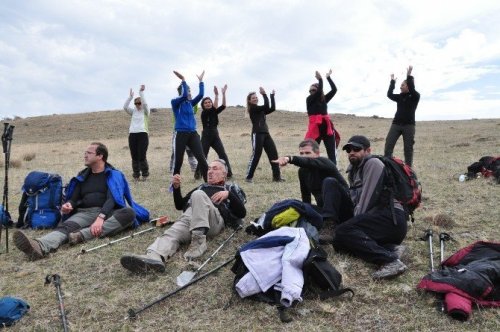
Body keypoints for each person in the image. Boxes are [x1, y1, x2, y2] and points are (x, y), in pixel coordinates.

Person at [13, 142, 150, 260]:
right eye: (85, 153)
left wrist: (101, 217)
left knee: (129, 213)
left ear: (100, 156)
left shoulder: (114, 175)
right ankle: (40, 246)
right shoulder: (82, 176)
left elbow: (112, 199)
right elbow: (74, 198)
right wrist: (69, 205)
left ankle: (81, 235)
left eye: (89, 153)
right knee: (66, 228)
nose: (85, 155)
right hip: (85, 213)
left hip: (109, 212)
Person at [120, 159, 246, 274]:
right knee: (171, 234)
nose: (210, 171)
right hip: (190, 217)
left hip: (213, 220)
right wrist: (176, 188)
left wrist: (228, 195)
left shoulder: (230, 188)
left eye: (215, 168)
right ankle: (153, 258)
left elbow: (241, 213)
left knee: (198, 195)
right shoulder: (201, 187)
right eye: (209, 168)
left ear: (224, 174)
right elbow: (180, 205)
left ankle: (198, 242)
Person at [326, 135, 408, 279]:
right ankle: (391, 249)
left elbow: (367, 200)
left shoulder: (373, 163)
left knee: (343, 231)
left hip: (390, 218)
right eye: (349, 149)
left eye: (357, 149)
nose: (352, 152)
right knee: (338, 243)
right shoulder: (354, 169)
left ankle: (390, 261)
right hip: (375, 221)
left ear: (368, 150)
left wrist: (349, 226)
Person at [272, 139, 351, 243]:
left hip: (346, 210)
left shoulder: (326, 163)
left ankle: (329, 227)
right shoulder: (302, 171)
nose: (304, 156)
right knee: (295, 205)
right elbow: (306, 197)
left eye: (308, 153)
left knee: (329, 181)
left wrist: (290, 158)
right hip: (324, 211)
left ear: (317, 153)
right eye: (301, 153)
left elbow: (308, 162)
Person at [171, 70, 208, 181]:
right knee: (179, 161)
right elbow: (185, 95)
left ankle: (209, 184)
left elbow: (201, 95)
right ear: (181, 92)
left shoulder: (191, 103)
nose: (189, 93)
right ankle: (174, 185)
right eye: (187, 91)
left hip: (193, 134)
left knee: (202, 159)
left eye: (189, 91)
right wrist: (183, 80)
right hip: (181, 133)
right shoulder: (175, 103)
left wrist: (201, 81)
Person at [384, 65, 420, 167]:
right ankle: (387, 166)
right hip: (396, 124)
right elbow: (389, 94)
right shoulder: (399, 97)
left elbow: (412, 88)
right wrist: (392, 82)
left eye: (402, 85)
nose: (400, 87)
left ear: (408, 86)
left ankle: (409, 171)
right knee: (388, 145)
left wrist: (408, 75)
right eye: (400, 85)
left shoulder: (415, 96)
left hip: (409, 126)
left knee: (408, 149)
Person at [194, 84, 233, 178]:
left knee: (222, 154)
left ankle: (229, 173)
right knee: (203, 156)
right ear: (203, 105)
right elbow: (213, 109)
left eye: (209, 102)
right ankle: (198, 174)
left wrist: (223, 94)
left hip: (215, 135)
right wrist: (216, 95)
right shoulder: (204, 113)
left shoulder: (213, 111)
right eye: (206, 103)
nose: (208, 103)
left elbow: (223, 106)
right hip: (206, 136)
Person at [245, 87, 283, 183]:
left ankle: (277, 177)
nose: (255, 99)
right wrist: (264, 94)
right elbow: (266, 106)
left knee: (273, 154)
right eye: (253, 98)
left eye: (256, 97)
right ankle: (249, 177)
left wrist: (272, 96)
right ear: (249, 101)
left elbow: (272, 108)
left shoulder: (260, 109)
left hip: (266, 133)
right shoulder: (253, 108)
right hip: (257, 134)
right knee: (256, 155)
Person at [305, 70, 340, 164]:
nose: (311, 92)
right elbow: (319, 91)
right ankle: (312, 172)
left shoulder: (323, 99)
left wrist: (328, 78)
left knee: (331, 153)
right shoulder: (309, 99)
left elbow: (334, 90)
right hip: (315, 127)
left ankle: (333, 172)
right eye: (310, 90)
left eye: (313, 90)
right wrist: (320, 80)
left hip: (326, 127)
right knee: (312, 153)